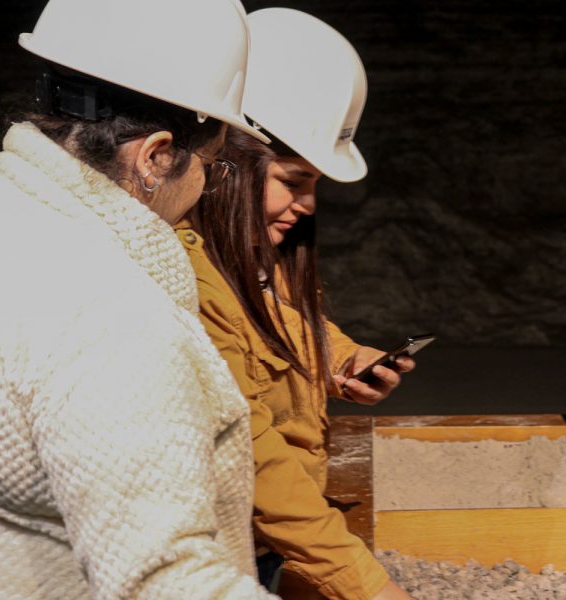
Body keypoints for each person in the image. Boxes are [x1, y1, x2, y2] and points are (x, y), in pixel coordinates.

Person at [0, 1, 280, 598]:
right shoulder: (115, 320)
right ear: (156, 157)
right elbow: (165, 581)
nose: (208, 184)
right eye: (211, 164)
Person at [178, 8, 414, 600]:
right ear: (229, 163)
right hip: (226, 551)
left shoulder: (246, 254)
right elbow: (253, 454)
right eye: (295, 179)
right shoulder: (187, 283)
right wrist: (363, 583)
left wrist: (345, 357)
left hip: (265, 544)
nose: (307, 204)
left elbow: (276, 318)